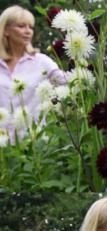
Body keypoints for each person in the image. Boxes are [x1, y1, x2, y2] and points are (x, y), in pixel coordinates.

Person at [0, 5, 65, 144]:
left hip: (35, 144)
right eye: (21, 26)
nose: (28, 31)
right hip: (3, 146)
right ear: (6, 30)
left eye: (31, 27)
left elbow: (66, 82)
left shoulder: (41, 62)